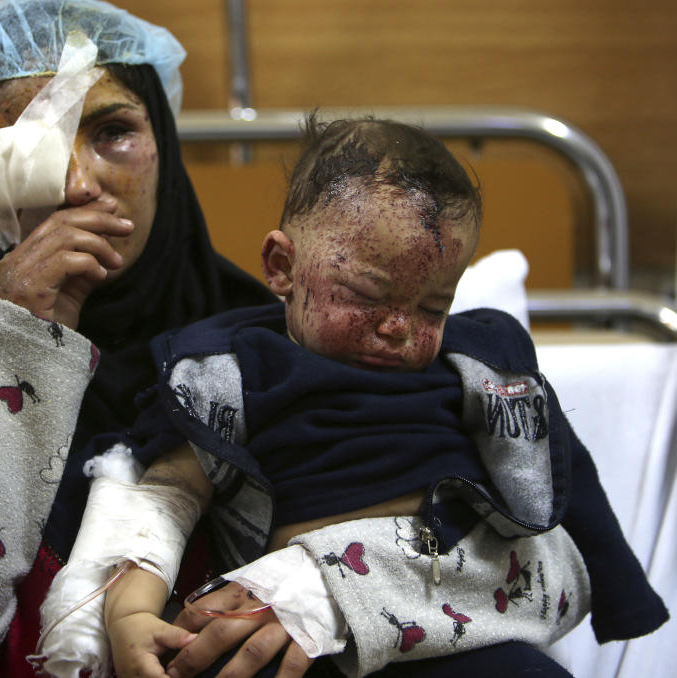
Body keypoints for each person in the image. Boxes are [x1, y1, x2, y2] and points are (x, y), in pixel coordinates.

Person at [35, 116, 667, 678]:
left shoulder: (473, 368)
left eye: (432, 305)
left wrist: (620, 592)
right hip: (281, 645)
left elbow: (561, 481)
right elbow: (163, 497)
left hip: (447, 631)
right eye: (367, 295)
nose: (398, 328)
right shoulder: (234, 370)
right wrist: (128, 613)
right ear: (280, 266)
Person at [0, 2, 275, 676]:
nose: (77, 184)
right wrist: (18, 345)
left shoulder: (269, 352)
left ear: (163, 142)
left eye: (112, 131)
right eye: (25, 148)